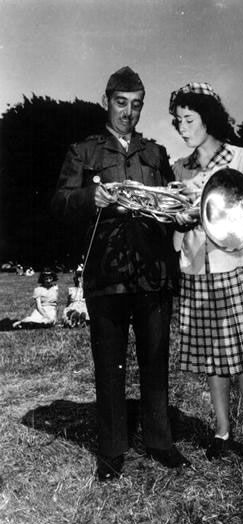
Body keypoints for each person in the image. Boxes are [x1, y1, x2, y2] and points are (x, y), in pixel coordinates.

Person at [51, 66, 189, 481]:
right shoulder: (84, 151)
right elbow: (59, 203)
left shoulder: (156, 153)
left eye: (136, 105)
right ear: (107, 101)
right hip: (106, 275)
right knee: (109, 363)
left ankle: (160, 442)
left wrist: (182, 209)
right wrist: (91, 195)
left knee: (155, 359)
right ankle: (112, 450)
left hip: (153, 273)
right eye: (121, 103)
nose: (129, 112)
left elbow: (171, 206)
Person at [169, 82, 243, 476]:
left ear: (207, 117)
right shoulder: (180, 167)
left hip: (235, 266)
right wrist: (180, 218)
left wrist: (203, 199)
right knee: (214, 359)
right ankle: (222, 431)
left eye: (188, 119)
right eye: (177, 121)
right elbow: (178, 232)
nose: (181, 127)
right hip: (197, 270)